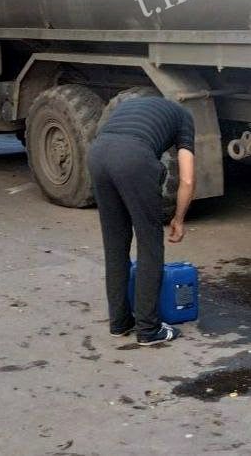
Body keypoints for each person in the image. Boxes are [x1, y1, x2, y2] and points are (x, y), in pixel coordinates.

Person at [88, 96, 196, 346]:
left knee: (115, 244)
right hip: (134, 158)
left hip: (98, 155)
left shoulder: (131, 105)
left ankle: (119, 322)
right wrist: (178, 219)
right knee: (150, 245)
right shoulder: (184, 117)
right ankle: (149, 329)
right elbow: (188, 179)